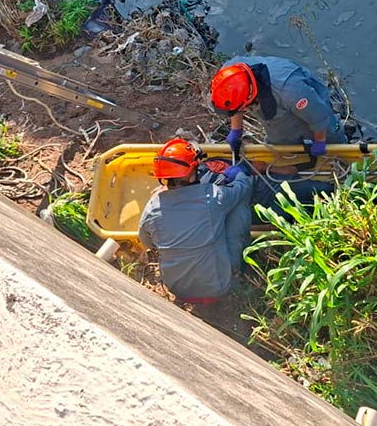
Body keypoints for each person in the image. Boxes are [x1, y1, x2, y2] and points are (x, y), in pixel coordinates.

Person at [137, 138, 253, 305]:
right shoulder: (213, 197)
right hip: (218, 287)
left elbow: (147, 242)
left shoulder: (153, 207)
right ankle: (237, 271)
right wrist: (239, 172)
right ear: (191, 175)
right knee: (238, 205)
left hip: (177, 289)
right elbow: (243, 186)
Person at [208, 55, 347, 158]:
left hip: (309, 105)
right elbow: (235, 106)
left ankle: (341, 152)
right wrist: (236, 131)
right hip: (275, 115)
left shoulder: (291, 91)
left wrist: (320, 141)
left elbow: (318, 117)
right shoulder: (229, 75)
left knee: (330, 135)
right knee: (280, 143)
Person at [201, 157, 335, 224]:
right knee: (316, 210)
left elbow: (255, 167)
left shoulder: (211, 166)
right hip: (261, 209)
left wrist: (280, 170)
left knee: (326, 192)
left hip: (273, 188)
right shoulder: (197, 200)